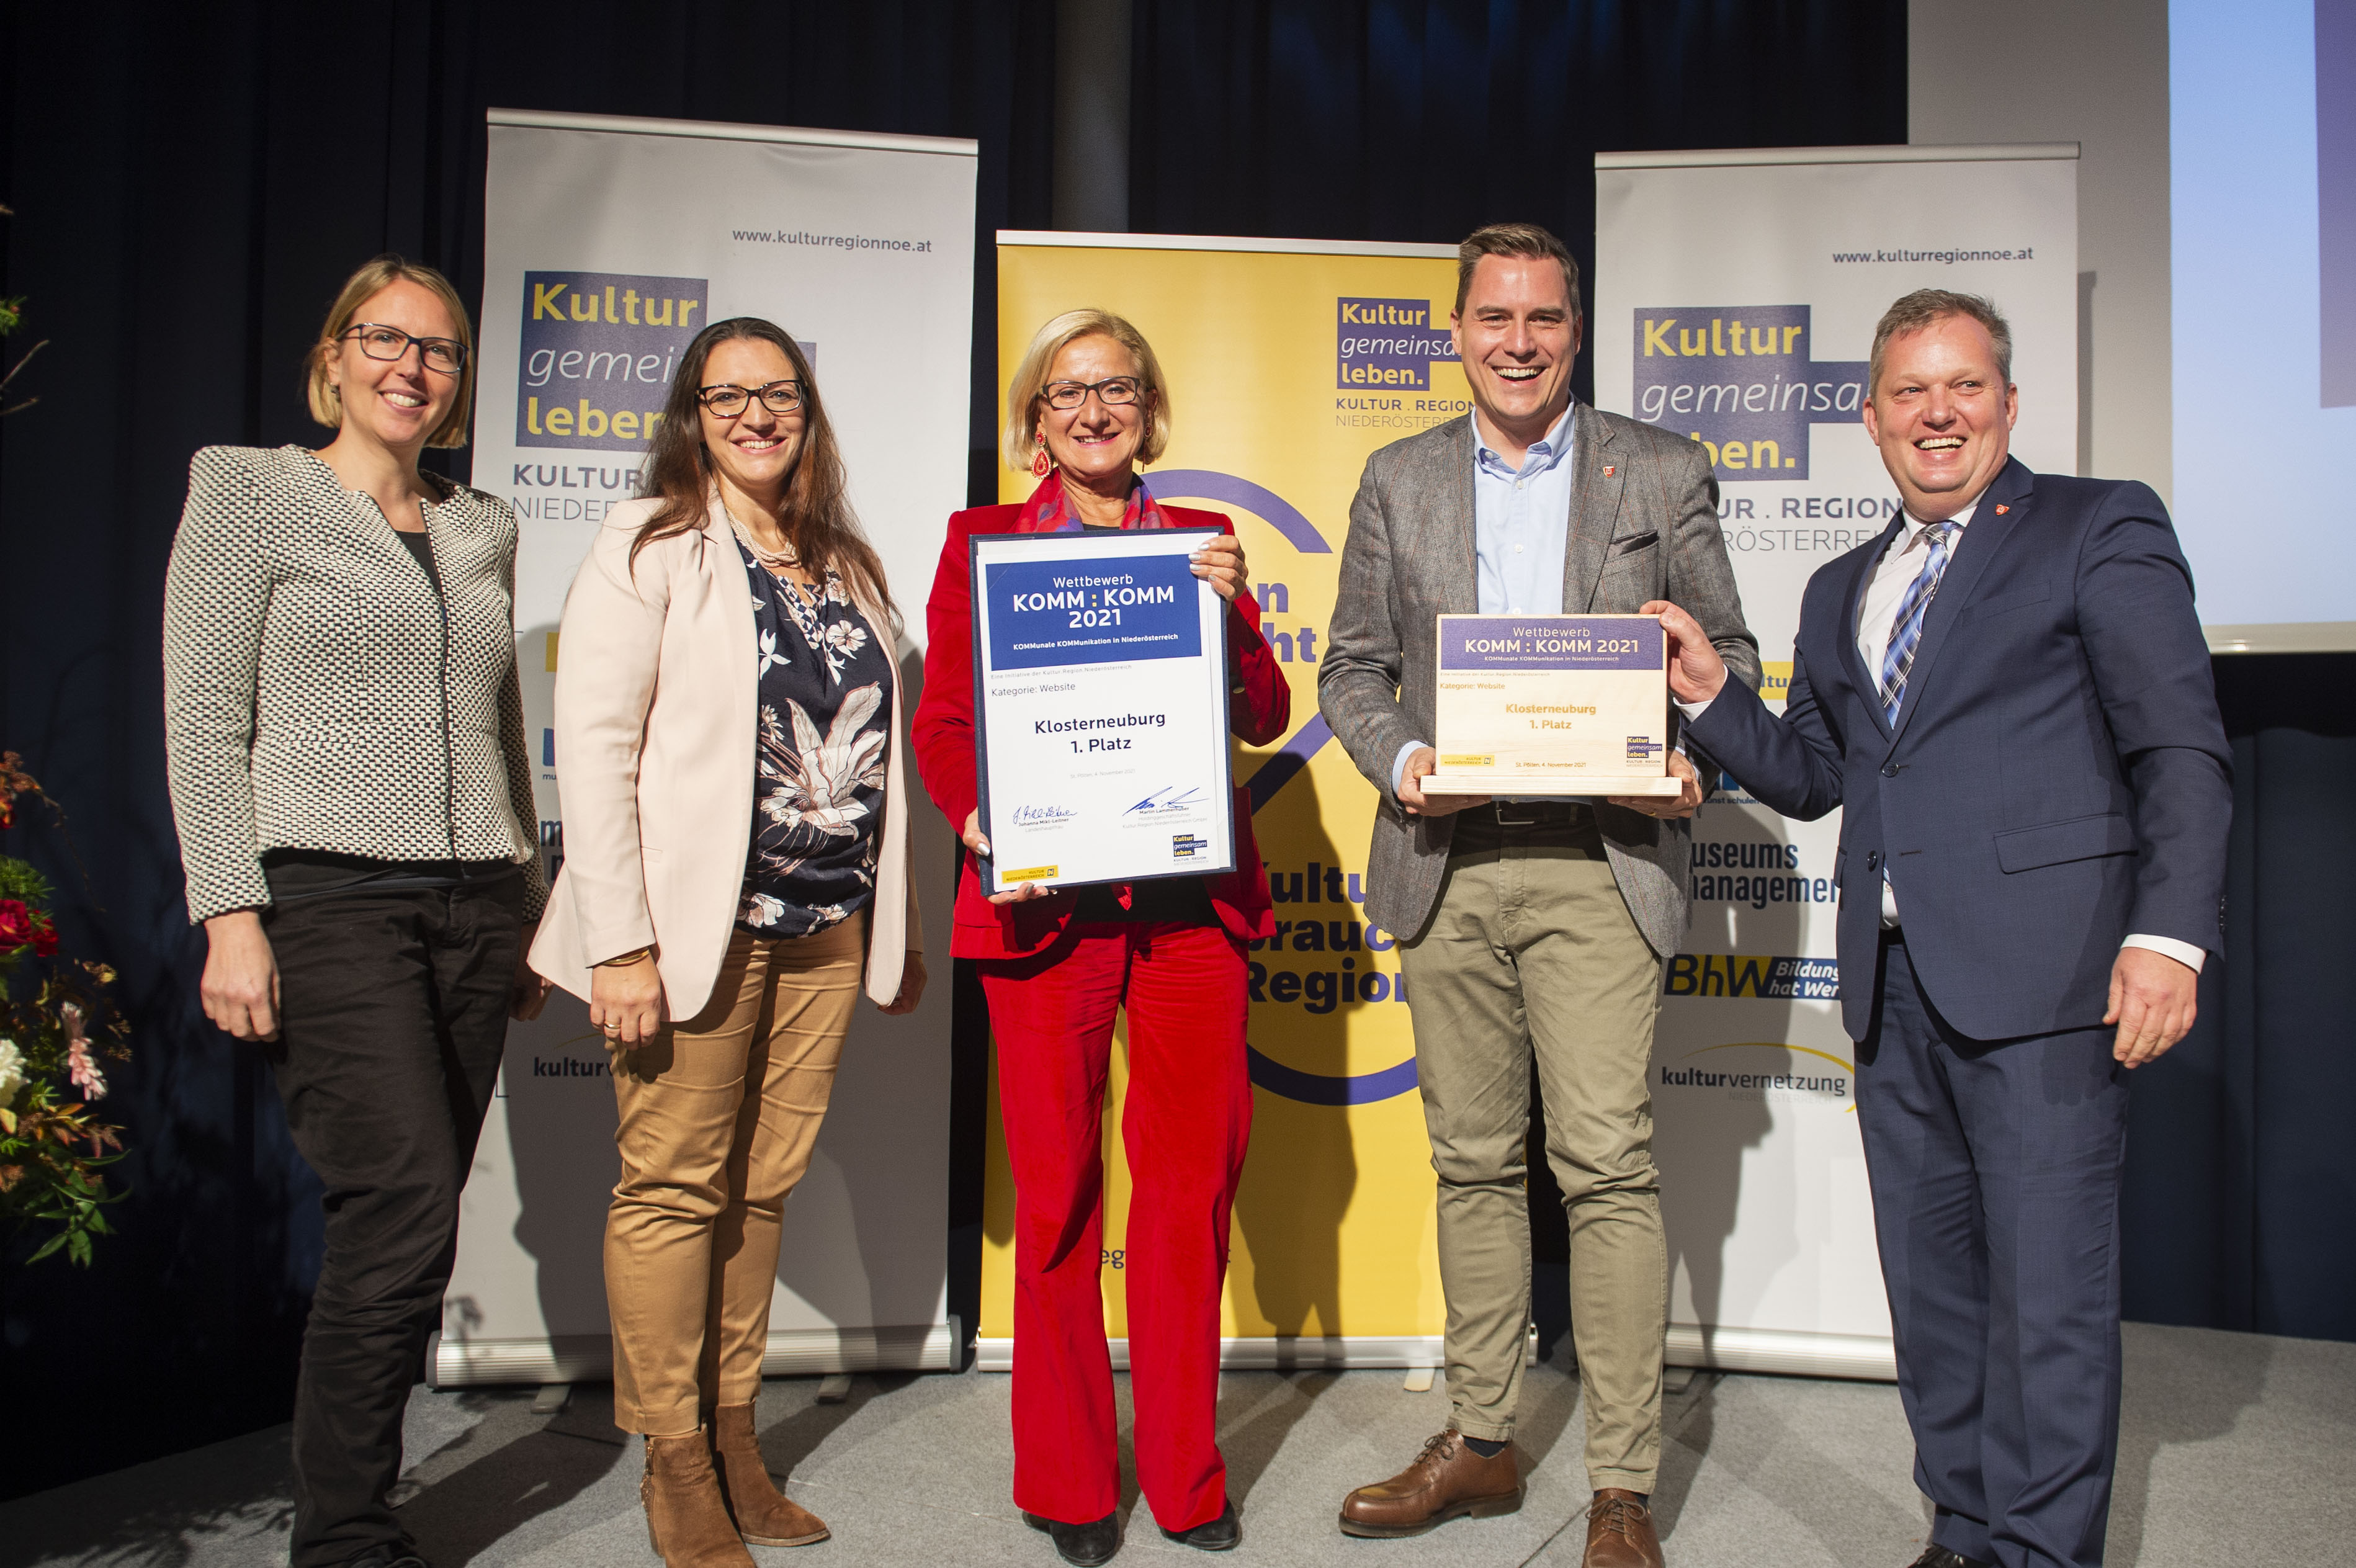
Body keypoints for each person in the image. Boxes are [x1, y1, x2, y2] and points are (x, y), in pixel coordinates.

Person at [1650, 289, 2229, 1568]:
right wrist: (1711, 693)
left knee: (2049, 1300)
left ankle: (2042, 1551)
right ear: (1870, 417)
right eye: (1910, 392)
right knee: (1935, 1296)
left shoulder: (2097, 524)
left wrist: (2170, 935)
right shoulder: (1838, 586)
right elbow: (1815, 777)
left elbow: (2179, 746)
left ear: (2009, 404)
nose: (1939, 413)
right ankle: (1964, 1531)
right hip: (1892, 986)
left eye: (1964, 386)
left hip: (2052, 980)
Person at [1319, 223, 1758, 1568]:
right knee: (1469, 1161)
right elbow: (1351, 669)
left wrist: (1689, 755)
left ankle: (1621, 1485)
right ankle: (1483, 1440)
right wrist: (1406, 762)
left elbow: (1726, 655)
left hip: (1598, 861)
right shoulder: (1398, 477)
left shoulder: (1660, 468)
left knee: (1606, 1164)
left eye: (1545, 318)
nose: (1520, 343)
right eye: (1495, 318)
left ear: (1577, 327)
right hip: (1447, 859)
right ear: (1457, 330)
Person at [163, 255, 550, 1568]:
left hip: (477, 902)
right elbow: (204, 719)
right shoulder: (250, 490)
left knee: (417, 1227)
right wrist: (229, 913)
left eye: (437, 349)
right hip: (329, 898)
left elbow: (500, 725)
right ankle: (341, 1539)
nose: (410, 366)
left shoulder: (483, 523)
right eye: (383, 339)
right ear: (333, 356)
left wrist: (529, 900)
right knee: (400, 1200)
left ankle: (351, 1506)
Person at [529, 316, 926, 1567]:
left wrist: (896, 925)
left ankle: (735, 1431)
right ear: (692, 417)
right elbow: (595, 750)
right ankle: (675, 1457)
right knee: (671, 1191)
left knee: (760, 1191)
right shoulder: (648, 543)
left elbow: (880, 755)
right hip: (693, 934)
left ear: (808, 410)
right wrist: (618, 944)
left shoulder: (847, 562)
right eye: (728, 396)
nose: (757, 415)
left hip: (827, 927)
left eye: (779, 393)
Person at [910, 308, 1288, 1567]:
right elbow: (945, 721)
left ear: (1149, 409)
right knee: (1059, 1197)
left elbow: (1262, 711)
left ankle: (1184, 1475)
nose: (1092, 411)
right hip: (1047, 912)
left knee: (1188, 1199)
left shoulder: (1200, 540)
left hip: (1187, 915)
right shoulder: (981, 542)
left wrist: (1233, 616)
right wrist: (976, 816)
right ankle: (1069, 1477)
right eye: (1066, 392)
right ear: (1035, 419)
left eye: (1115, 388)